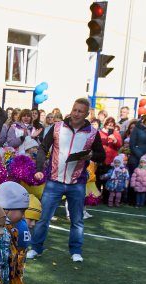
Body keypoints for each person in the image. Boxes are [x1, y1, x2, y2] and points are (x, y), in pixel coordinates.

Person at [28, 97, 105, 263]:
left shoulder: (92, 132)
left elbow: (102, 155)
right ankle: (35, 248)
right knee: (43, 218)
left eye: (80, 111)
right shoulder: (57, 127)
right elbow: (42, 148)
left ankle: (76, 251)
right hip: (54, 181)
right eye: (75, 109)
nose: (76, 114)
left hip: (77, 183)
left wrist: (91, 155)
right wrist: (40, 169)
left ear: (87, 114)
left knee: (77, 220)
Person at [0, 181, 30, 284]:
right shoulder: (1, 232)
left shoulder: (9, 228)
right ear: (6, 209)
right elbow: (1, 263)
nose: (23, 216)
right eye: (22, 211)